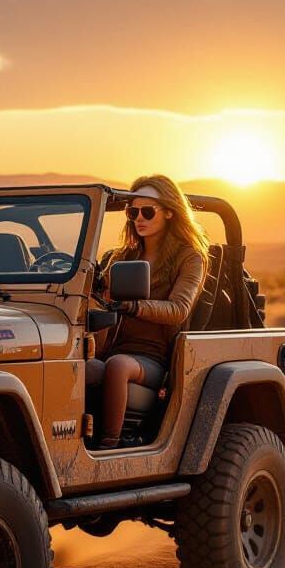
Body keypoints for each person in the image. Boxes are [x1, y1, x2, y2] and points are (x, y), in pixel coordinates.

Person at [88, 174, 208, 449]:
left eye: (147, 211)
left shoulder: (188, 257)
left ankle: (109, 446)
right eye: (133, 212)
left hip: (153, 359)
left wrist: (134, 307)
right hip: (112, 349)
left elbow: (178, 309)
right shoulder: (121, 257)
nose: (138, 218)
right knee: (73, 367)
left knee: (117, 367)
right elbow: (102, 302)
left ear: (168, 211)